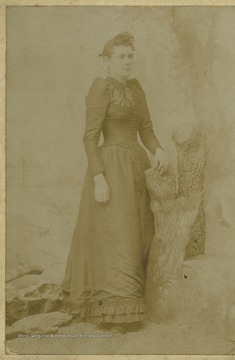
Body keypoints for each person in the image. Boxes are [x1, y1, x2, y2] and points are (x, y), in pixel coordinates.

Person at [60, 32, 168, 332]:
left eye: (130, 56)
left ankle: (137, 305)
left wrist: (157, 149)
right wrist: (98, 178)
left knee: (139, 233)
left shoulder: (136, 89)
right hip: (110, 169)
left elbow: (146, 129)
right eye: (121, 57)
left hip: (137, 168)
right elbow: (90, 137)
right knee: (118, 237)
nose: (127, 62)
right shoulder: (100, 88)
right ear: (107, 61)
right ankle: (116, 312)